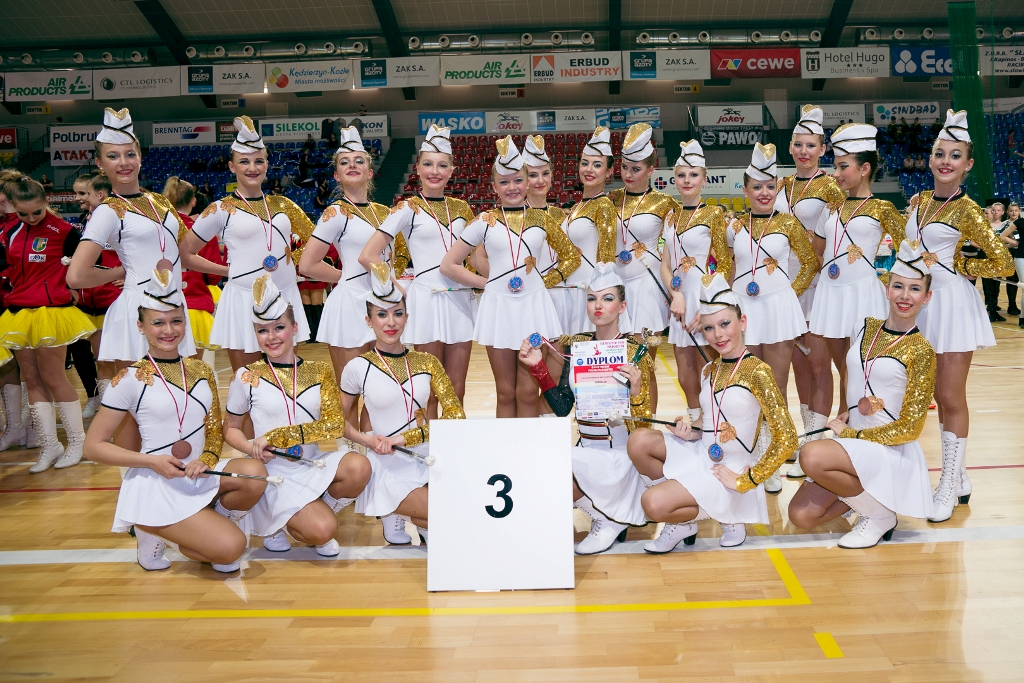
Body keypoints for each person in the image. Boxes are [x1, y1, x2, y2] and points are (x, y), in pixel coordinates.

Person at [83, 268, 267, 572]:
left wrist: (206, 459)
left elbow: (213, 430)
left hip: (196, 473)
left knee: (255, 475)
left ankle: (208, 523)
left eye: (176, 321)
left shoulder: (201, 370)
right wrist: (152, 462)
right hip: (156, 479)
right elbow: (93, 447)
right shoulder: (128, 378)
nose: (168, 330)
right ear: (141, 326)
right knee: (231, 549)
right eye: (158, 322)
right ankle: (151, 528)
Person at [626, 273, 798, 552]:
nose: (718, 335)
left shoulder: (758, 372)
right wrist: (690, 431)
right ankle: (683, 521)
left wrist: (748, 479)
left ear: (742, 322)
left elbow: (788, 438)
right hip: (703, 453)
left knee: (652, 503)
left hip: (730, 470)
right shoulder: (711, 369)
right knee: (639, 441)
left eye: (725, 324)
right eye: (709, 328)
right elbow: (708, 421)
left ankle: (729, 514)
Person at [904, 110, 1015, 522]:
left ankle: (948, 484)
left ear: (968, 164)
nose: (945, 161)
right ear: (931, 159)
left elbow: (1003, 262)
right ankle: (961, 477)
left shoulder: (967, 210)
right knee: (937, 395)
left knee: (951, 397)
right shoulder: (919, 202)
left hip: (951, 305)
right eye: (940, 153)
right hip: (922, 305)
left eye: (955, 155)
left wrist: (962, 266)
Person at [788, 240, 936, 548]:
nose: (905, 296)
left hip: (889, 449)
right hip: (854, 444)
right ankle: (871, 501)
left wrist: (854, 435)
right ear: (887, 289)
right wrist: (849, 413)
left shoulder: (922, 351)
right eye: (898, 286)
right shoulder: (865, 327)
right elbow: (854, 377)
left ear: (926, 297)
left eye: (915, 289)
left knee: (810, 455)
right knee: (802, 515)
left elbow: (911, 428)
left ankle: (879, 517)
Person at [224, 275, 371, 556]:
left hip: (312, 463)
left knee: (359, 466)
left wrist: (281, 435)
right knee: (322, 532)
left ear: (295, 328)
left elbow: (333, 425)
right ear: (255, 334)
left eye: (279, 327)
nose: (272, 337)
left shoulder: (319, 370)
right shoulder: (246, 376)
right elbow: (230, 428)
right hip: (273, 469)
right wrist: (251, 447)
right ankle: (275, 521)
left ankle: (309, 509)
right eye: (263, 330)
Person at [439, 136, 580, 418]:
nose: (512, 187)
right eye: (504, 182)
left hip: (534, 307)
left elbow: (571, 257)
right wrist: (489, 284)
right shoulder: (484, 220)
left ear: (527, 182)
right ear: (493, 186)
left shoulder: (542, 218)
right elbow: (449, 264)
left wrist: (542, 282)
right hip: (498, 309)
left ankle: (527, 446)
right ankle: (506, 446)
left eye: (517, 180)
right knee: (505, 391)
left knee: (527, 390)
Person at [519, 263, 654, 554]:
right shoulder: (579, 347)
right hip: (586, 449)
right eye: (592, 298)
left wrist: (637, 392)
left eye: (607, 298)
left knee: (555, 473)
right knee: (540, 468)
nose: (598, 305)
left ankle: (607, 519)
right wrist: (539, 368)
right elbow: (562, 408)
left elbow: (645, 426)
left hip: (620, 455)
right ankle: (604, 513)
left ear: (622, 306)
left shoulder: (635, 352)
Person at [805, 122, 906, 475]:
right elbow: (817, 249)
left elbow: (908, 251)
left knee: (861, 369)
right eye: (835, 165)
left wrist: (887, 282)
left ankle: (861, 436)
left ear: (864, 168)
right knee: (843, 368)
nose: (836, 173)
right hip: (831, 294)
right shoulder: (830, 208)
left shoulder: (883, 207)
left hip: (863, 295)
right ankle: (845, 430)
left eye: (843, 166)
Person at [340, 265, 465, 544]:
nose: (391, 322)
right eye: (381, 314)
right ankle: (396, 508)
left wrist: (406, 438)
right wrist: (368, 441)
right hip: (387, 463)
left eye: (397, 313)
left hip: (427, 455)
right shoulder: (357, 367)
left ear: (407, 317)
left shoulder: (427, 362)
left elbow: (456, 415)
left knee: (461, 505)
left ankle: (411, 515)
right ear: (368, 320)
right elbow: (334, 421)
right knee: (446, 512)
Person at [357, 126, 478, 408]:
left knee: (457, 388)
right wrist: (397, 287)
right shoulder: (406, 207)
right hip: (427, 301)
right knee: (429, 389)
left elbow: (474, 257)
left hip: (461, 301)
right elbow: (368, 255)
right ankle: (429, 437)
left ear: (451, 170)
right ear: (418, 168)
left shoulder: (462, 208)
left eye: (442, 165)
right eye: (428, 164)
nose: (435, 171)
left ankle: (454, 435)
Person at [183, 116, 313, 373]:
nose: (252, 168)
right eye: (244, 161)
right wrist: (226, 271)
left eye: (258, 161)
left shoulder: (284, 204)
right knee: (247, 382)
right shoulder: (220, 209)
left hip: (285, 296)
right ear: (232, 166)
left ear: (267, 164)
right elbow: (185, 253)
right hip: (243, 300)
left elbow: (315, 240)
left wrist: (292, 261)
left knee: (287, 379)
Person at [68, 107, 196, 364]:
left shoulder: (160, 201)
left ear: (140, 157)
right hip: (139, 307)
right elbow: (76, 276)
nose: (124, 163)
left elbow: (184, 255)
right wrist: (120, 272)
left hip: (173, 304)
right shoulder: (107, 211)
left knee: (173, 383)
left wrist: (232, 271)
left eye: (130, 154)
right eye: (113, 156)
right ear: (100, 164)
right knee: (140, 386)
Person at [727, 143, 816, 492]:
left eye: (769, 186)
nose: (763, 193)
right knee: (749, 385)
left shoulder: (789, 224)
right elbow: (726, 265)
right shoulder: (734, 226)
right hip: (744, 311)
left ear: (776, 187)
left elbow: (809, 263)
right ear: (745, 189)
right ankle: (757, 452)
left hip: (778, 312)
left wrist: (787, 295)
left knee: (776, 386)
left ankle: (774, 460)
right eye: (756, 187)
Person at [297, 127, 410, 383]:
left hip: (385, 304)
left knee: (383, 386)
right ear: (336, 175)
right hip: (350, 305)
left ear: (370, 172)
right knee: (351, 388)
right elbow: (307, 264)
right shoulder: (335, 213)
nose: (352, 165)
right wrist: (345, 276)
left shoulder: (385, 212)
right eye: (344, 162)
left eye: (359, 161)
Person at [0, 175, 95, 472]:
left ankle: (77, 442)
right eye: (23, 213)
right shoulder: (9, 232)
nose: (31, 218)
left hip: (52, 312)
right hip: (19, 312)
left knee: (54, 378)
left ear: (46, 202)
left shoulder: (65, 231)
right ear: (13, 207)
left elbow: (85, 266)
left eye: (36, 212)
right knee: (31, 379)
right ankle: (49, 444)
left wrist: (72, 286)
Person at [775, 106, 846, 478]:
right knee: (798, 365)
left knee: (818, 364)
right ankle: (805, 437)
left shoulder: (831, 186)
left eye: (811, 145)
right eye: (798, 145)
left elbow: (838, 234)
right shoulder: (782, 185)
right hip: (783, 284)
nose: (804, 151)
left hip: (815, 285)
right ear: (790, 147)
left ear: (822, 149)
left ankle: (815, 440)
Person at [660, 140, 730, 424]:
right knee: (684, 372)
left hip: (703, 300)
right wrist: (675, 294)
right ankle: (695, 423)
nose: (687, 180)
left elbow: (724, 264)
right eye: (681, 175)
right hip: (679, 302)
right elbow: (665, 265)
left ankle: (712, 423)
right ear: (674, 179)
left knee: (706, 368)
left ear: (704, 179)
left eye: (693, 175)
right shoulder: (670, 216)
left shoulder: (713, 214)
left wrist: (708, 308)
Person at [610, 123, 680, 412]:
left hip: (648, 289)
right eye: (625, 167)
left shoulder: (665, 203)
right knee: (615, 364)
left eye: (636, 169)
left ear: (652, 169)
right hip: (615, 288)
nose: (628, 174)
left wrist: (677, 288)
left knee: (643, 365)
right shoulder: (611, 200)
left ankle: (646, 424)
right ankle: (620, 424)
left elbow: (677, 248)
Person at [545, 127, 616, 333]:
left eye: (597, 165)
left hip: (590, 291)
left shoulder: (603, 206)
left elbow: (606, 258)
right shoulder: (577, 207)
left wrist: (601, 297)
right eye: (585, 163)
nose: (589, 169)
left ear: (609, 172)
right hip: (571, 290)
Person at [71, 171, 121, 419]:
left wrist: (127, 275)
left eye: (84, 193)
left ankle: (117, 408)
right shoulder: (84, 221)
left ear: (99, 194)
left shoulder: (121, 219)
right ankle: (102, 404)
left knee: (112, 359)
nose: (78, 198)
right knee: (95, 358)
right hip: (85, 301)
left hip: (112, 300)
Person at [164, 176, 225, 356]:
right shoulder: (201, 230)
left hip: (161, 304)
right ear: (193, 200)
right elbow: (213, 276)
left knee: (165, 366)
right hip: (193, 302)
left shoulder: (158, 228)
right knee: (193, 367)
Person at [983, 201, 1011, 322]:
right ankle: (991, 310)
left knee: (996, 284)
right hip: (987, 257)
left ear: (1003, 212)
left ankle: (994, 310)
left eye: (998, 210)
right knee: (988, 284)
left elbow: (1012, 239)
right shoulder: (985, 224)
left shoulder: (1006, 225)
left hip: (999, 258)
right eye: (994, 210)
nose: (995, 212)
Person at [999, 202, 1024, 326]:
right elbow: (1002, 236)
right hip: (1019, 256)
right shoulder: (1018, 222)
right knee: (1022, 286)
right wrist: (1016, 243)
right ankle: (1021, 316)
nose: (1014, 212)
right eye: (1012, 210)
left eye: (1016, 210)